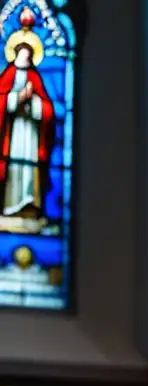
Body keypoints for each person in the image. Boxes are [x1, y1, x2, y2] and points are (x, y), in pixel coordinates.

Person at [0, 8, 55, 224]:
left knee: (29, 171)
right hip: (12, 135)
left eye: (29, 53)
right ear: (16, 52)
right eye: (22, 51)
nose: (26, 55)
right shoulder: (8, 76)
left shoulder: (35, 78)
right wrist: (15, 99)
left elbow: (48, 110)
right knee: (13, 168)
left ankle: (30, 205)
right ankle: (9, 206)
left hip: (30, 134)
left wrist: (34, 103)